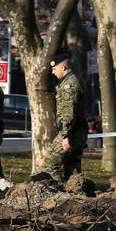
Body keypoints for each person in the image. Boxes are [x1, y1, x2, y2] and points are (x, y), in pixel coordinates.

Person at [42, 50, 88, 181]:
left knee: (49, 166)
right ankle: (77, 193)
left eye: (54, 68)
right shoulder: (73, 81)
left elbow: (68, 113)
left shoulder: (68, 85)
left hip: (71, 133)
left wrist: (65, 135)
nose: (52, 72)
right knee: (72, 168)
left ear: (63, 67)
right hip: (78, 131)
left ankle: (55, 194)